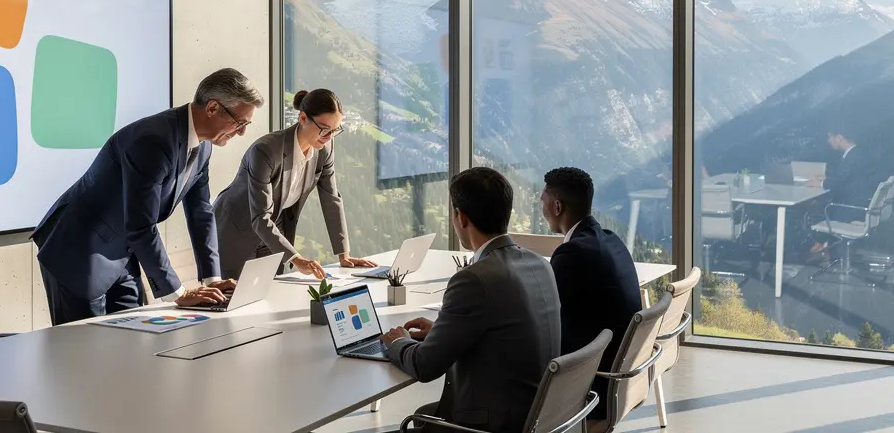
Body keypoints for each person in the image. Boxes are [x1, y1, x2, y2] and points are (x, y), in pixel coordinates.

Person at [31, 68, 263, 325]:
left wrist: (212, 279)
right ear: (212, 108)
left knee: (134, 342)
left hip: (122, 253)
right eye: (240, 122)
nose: (241, 132)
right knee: (84, 352)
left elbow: (201, 213)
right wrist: (179, 293)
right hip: (79, 250)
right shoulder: (154, 140)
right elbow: (142, 224)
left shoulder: (205, 145)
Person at [380, 167, 561, 432]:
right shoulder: (540, 265)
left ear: (460, 217)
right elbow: (505, 331)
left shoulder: (474, 279)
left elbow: (424, 366)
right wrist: (442, 332)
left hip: (493, 423)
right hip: (536, 415)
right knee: (423, 415)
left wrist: (397, 341)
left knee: (417, 421)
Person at [214, 88, 376, 279]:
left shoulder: (324, 148)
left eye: (334, 130)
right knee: (231, 300)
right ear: (303, 118)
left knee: (271, 295)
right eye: (324, 129)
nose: (329, 137)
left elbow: (331, 197)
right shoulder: (265, 151)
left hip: (275, 230)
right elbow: (259, 217)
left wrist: (344, 255)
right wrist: (296, 258)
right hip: (236, 229)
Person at [541, 167, 640, 420]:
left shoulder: (572, 254)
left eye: (543, 202)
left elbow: (542, 317)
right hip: (619, 377)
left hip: (591, 386)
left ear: (557, 207)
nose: (541, 209)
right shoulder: (611, 240)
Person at [808, 127, 878, 255]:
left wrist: (820, 183)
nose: (829, 141)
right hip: (860, 204)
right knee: (824, 204)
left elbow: (838, 182)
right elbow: (844, 177)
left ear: (839, 138)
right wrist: (826, 179)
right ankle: (824, 246)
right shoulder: (856, 154)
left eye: (830, 137)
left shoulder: (852, 157)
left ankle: (820, 247)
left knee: (817, 209)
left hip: (851, 208)